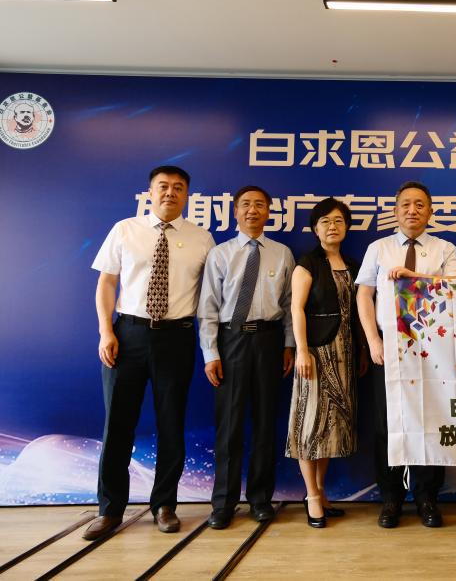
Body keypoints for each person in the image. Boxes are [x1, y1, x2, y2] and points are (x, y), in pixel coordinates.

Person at [85, 166, 215, 540]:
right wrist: (106, 330)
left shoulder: (202, 238)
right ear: (150, 192)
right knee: (118, 424)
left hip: (177, 337)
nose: (170, 193)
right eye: (163, 186)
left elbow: (209, 296)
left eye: (178, 188)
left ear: (187, 195)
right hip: (128, 335)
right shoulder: (125, 229)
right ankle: (110, 509)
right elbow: (106, 282)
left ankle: (165, 506)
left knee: (171, 422)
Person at [356, 181, 456, 529]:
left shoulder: (444, 248)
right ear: (395, 210)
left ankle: (427, 497)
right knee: (387, 424)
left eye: (419, 204)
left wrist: (414, 277)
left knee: (430, 421)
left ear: (430, 211)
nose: (412, 210)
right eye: (405, 204)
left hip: (433, 349)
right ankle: (391, 498)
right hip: (387, 347)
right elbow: (364, 296)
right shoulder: (379, 248)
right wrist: (373, 340)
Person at [198, 185, 295, 529]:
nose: (252, 210)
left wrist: (289, 345)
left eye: (259, 205)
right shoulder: (220, 254)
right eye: (246, 205)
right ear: (235, 212)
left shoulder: (282, 254)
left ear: (269, 211)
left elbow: (288, 305)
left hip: (270, 341)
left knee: (266, 423)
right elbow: (208, 306)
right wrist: (211, 352)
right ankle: (223, 503)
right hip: (232, 341)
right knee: (230, 425)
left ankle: (260, 499)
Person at [286, 197, 366, 529]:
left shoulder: (353, 264)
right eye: (325, 222)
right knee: (310, 426)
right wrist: (302, 351)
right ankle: (311, 496)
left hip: (345, 355)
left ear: (346, 227)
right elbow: (296, 309)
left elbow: (359, 312)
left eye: (338, 221)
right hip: (316, 355)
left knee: (331, 429)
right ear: (315, 229)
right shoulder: (307, 263)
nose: (332, 227)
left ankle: (321, 491)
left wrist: (362, 351)